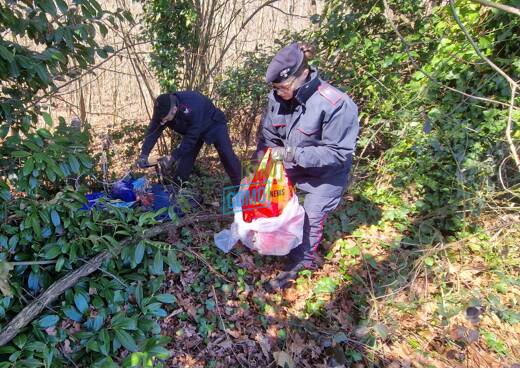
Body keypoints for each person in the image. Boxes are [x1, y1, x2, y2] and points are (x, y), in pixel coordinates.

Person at [254, 42, 360, 291]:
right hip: (293, 163)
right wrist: (258, 172)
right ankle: (277, 241)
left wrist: (291, 153)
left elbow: (338, 152)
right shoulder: (277, 99)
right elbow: (268, 139)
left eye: (283, 87)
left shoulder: (336, 104)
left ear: (302, 75)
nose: (279, 93)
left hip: (327, 174)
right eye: (275, 88)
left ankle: (300, 264)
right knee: (272, 198)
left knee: (310, 218)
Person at [137, 91, 241, 186]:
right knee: (185, 161)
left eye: (166, 119)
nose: (163, 122)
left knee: (226, 154)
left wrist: (173, 156)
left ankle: (241, 185)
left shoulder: (193, 105)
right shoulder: (162, 108)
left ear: (174, 110)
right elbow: (153, 131)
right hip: (192, 130)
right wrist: (144, 154)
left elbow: (191, 138)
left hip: (213, 124)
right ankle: (177, 190)